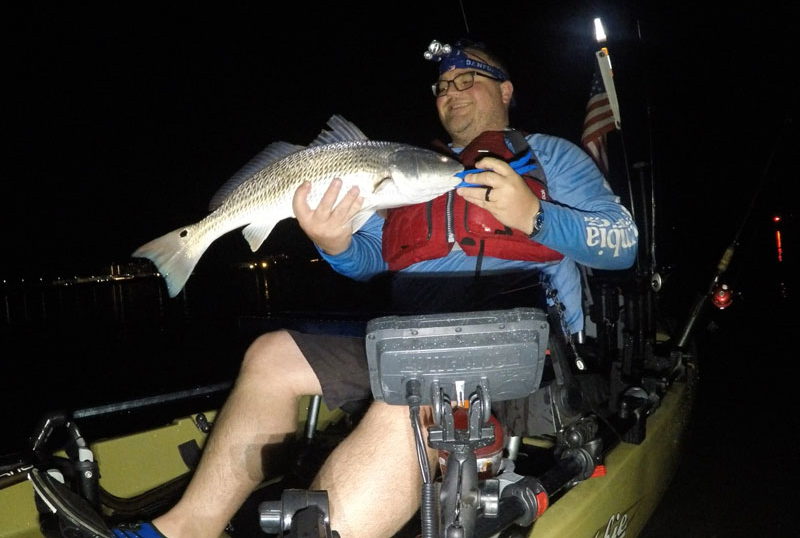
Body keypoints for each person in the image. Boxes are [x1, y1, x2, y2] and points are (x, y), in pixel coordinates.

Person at [111, 39, 638, 538]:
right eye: (442, 86)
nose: (450, 91)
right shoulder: (410, 170)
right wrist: (332, 241)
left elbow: (622, 242)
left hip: (517, 350)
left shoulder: (551, 157)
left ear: (505, 91)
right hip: (404, 340)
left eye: (468, 79)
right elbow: (366, 262)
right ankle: (182, 528)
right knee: (271, 356)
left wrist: (536, 216)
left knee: (410, 394)